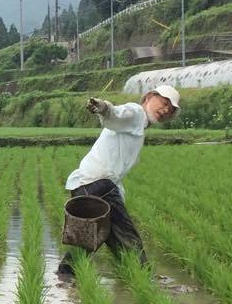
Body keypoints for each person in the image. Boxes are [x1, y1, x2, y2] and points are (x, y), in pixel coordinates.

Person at [57, 85, 180, 276]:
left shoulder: (138, 125)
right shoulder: (137, 113)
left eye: (170, 110)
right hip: (99, 184)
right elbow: (118, 115)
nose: (165, 110)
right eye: (164, 103)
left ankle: (65, 277)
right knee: (128, 238)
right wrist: (105, 107)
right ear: (148, 97)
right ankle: (144, 279)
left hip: (86, 185)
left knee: (90, 239)